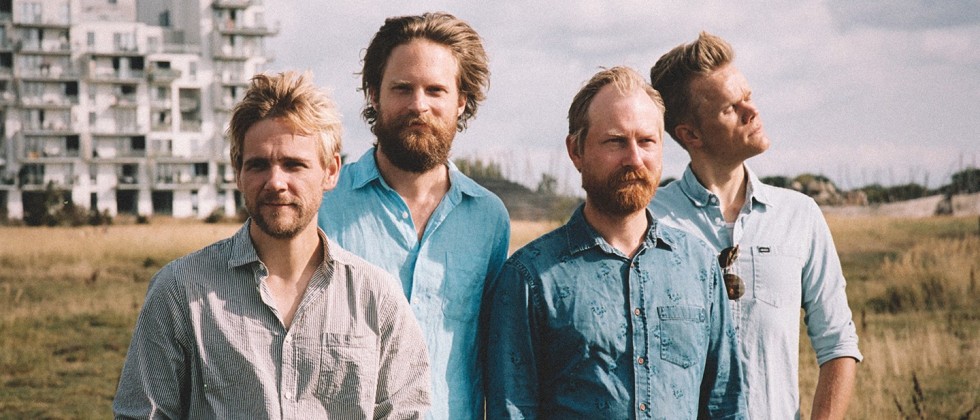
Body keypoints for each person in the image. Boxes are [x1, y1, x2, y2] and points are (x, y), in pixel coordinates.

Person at [113, 71, 430, 419]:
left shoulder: (376, 297)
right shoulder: (181, 291)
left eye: (294, 165)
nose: (276, 182)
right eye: (259, 165)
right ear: (238, 172)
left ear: (330, 171)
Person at [483, 66, 746, 419]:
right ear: (576, 151)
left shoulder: (698, 266)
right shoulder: (530, 278)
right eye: (616, 141)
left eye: (646, 141)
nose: (634, 159)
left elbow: (725, 404)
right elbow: (512, 410)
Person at [649, 32, 862, 419]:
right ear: (690, 134)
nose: (752, 111)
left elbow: (838, 344)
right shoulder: (650, 221)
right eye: (731, 108)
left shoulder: (799, 215)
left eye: (748, 96)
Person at [317, 12, 510, 420]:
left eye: (435, 90)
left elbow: (492, 355)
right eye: (402, 88)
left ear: (461, 101)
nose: (419, 105)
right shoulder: (324, 203)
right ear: (374, 94)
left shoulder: (490, 219)